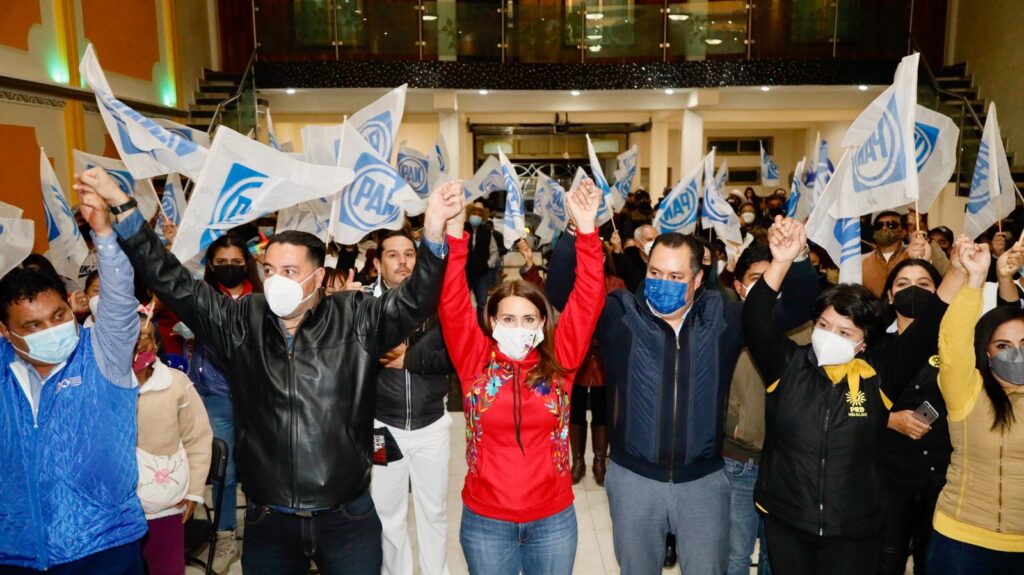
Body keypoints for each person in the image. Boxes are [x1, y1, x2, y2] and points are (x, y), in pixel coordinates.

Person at [84, 166, 463, 575]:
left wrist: (434, 233)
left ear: (318, 277)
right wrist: (124, 208)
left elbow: (415, 300)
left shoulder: (355, 317)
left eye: (290, 272)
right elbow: (173, 282)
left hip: (346, 518)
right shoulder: (241, 320)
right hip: (269, 520)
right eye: (269, 271)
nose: (275, 281)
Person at [741, 216, 957, 575]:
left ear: (863, 343)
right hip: (788, 518)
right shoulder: (786, 365)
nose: (830, 336)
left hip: (854, 527)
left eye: (845, 332)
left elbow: (927, 328)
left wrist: (960, 272)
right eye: (824, 326)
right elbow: (755, 319)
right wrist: (781, 262)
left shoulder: (880, 374)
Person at [440, 180, 604, 574]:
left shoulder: (560, 361)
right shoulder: (474, 360)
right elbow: (452, 301)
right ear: (492, 321)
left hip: (553, 520)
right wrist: (455, 236)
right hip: (486, 522)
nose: (519, 327)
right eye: (509, 319)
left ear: (543, 323)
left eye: (529, 319)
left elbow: (588, 298)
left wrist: (586, 231)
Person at [0, 179, 146, 572]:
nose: (51, 329)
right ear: (6, 331)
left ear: (70, 305)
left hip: (105, 544)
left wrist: (104, 234)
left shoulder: (102, 352)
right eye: (32, 326)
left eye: (58, 315)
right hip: (16, 550)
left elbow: (119, 302)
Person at [722, 243, 819, 575]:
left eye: (775, 277)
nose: (768, 286)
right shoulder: (728, 325)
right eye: (757, 279)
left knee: (775, 556)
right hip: (739, 459)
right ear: (739, 285)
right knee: (735, 553)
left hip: (787, 464)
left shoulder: (804, 329)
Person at [928, 239, 1024, 574]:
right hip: (961, 541)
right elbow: (953, 343)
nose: (1016, 353)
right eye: (1003, 345)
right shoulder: (967, 392)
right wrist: (975, 281)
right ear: (986, 352)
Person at [368, 230, 456, 575]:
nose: (403, 261)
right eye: (393, 255)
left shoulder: (440, 303)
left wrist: (410, 358)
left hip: (432, 424)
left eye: (410, 254)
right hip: (381, 428)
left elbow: (455, 356)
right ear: (378, 263)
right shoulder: (363, 306)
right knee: (387, 513)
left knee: (433, 511)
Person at [876, 253, 967, 575]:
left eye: (923, 283)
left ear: (939, 291)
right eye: (903, 283)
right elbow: (848, 402)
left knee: (933, 563)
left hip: (942, 475)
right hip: (888, 475)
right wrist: (889, 420)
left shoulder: (956, 343)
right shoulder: (873, 345)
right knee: (886, 562)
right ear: (890, 295)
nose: (913, 290)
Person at [184, 231, 263, 573]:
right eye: (221, 262)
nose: (229, 267)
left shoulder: (263, 297)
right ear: (211, 266)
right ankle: (226, 534)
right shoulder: (199, 297)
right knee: (224, 472)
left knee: (261, 469)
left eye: (235, 261)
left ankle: (263, 536)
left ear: (246, 263)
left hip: (258, 396)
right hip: (215, 395)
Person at [133, 309, 213, 575]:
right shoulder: (103, 385)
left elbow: (198, 438)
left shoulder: (175, 383)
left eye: (144, 336)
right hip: (118, 509)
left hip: (165, 505)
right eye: (128, 337)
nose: (137, 344)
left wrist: (193, 492)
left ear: (156, 343)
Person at [568, 241, 626, 486]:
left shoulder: (616, 283)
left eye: (599, 255)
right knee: (576, 409)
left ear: (604, 258)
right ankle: (578, 461)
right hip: (577, 355)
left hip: (605, 356)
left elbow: (622, 319)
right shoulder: (574, 280)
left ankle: (600, 461)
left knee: (603, 410)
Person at [862, 213, 948, 298]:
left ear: (903, 232)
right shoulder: (861, 261)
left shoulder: (917, 253)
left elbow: (945, 272)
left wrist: (923, 236)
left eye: (892, 225)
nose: (884, 228)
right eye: (879, 225)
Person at [464, 203, 500, 317]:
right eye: (474, 214)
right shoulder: (462, 229)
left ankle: (481, 324)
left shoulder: (487, 232)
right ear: (469, 215)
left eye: (479, 215)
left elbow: (494, 252)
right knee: (462, 302)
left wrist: (488, 264)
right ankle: (464, 323)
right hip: (464, 273)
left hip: (481, 274)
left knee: (482, 303)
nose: (476, 217)